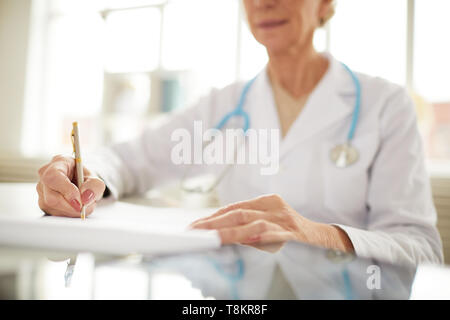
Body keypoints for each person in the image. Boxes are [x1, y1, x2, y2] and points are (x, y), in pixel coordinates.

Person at [36, 0, 443, 266]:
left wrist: (317, 235)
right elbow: (127, 161)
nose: (264, 2)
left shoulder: (385, 104)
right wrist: (76, 171)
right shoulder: (222, 107)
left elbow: (421, 248)